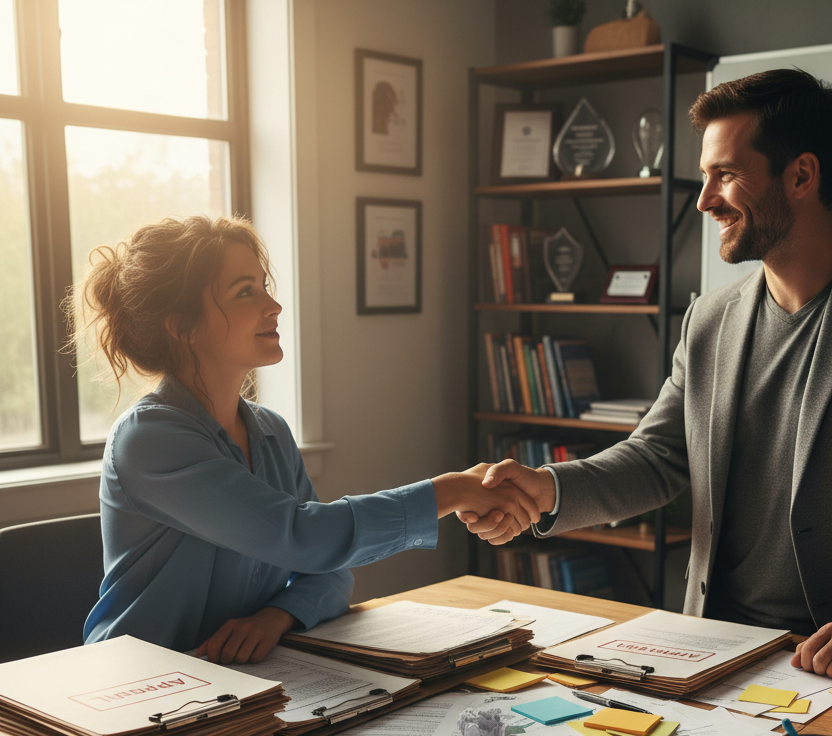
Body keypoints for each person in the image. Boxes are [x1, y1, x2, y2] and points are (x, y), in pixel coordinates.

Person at [460, 68, 832, 678]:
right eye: (705, 175)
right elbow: (659, 457)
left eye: (727, 174)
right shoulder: (708, 318)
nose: (704, 199)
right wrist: (547, 489)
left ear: (801, 175)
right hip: (712, 648)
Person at [79, 215, 538, 662]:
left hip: (240, 683)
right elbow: (305, 537)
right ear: (182, 326)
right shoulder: (149, 440)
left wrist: (277, 617)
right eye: (245, 292)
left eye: (263, 285)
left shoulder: (270, 432)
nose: (273, 305)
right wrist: (452, 491)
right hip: (138, 690)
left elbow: (330, 571)